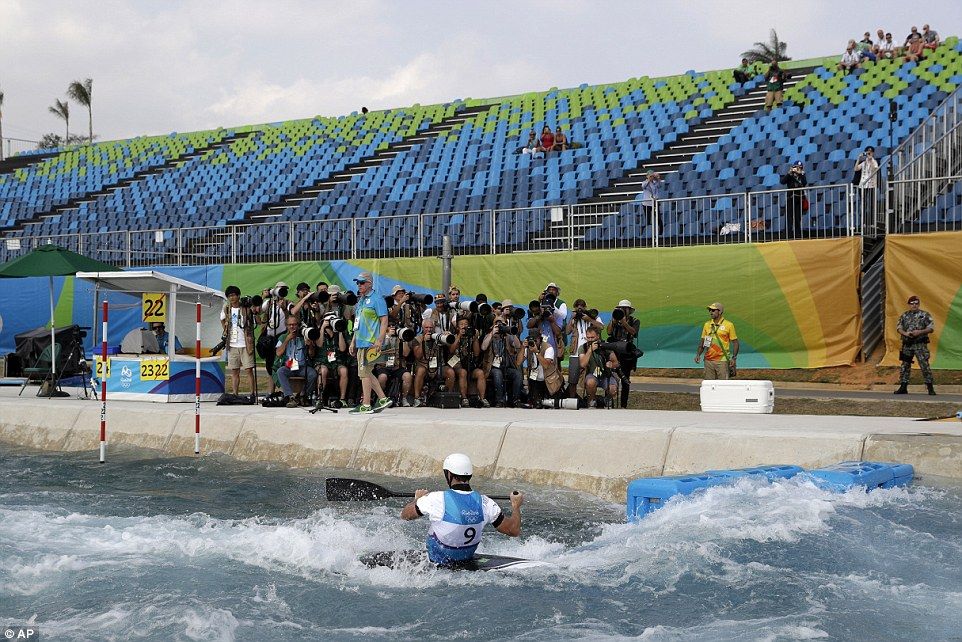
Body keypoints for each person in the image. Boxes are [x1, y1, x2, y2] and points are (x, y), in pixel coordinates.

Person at [400, 453, 523, 566]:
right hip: (465, 561)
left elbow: (405, 515)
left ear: (449, 474)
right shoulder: (486, 502)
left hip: (436, 563)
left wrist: (418, 499)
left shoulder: (437, 498)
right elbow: (513, 530)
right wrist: (516, 507)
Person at [348, 271, 393, 414]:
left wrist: (380, 340)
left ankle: (366, 404)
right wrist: (353, 341)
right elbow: (357, 322)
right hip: (361, 341)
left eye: (361, 283)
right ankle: (383, 399)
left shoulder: (377, 299)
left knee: (365, 373)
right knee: (366, 373)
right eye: (357, 283)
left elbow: (384, 320)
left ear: (369, 283)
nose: (359, 285)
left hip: (371, 342)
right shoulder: (361, 300)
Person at [481, 301, 524, 407]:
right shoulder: (489, 335)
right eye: (498, 324)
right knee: (497, 373)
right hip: (492, 367)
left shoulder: (507, 336)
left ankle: (515, 399)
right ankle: (499, 400)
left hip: (506, 366)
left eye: (502, 324)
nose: (500, 326)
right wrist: (492, 333)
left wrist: (511, 332)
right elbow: (483, 347)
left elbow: (518, 346)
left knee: (517, 374)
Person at [894, 295, 935, 396]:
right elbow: (899, 327)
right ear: (909, 305)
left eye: (916, 303)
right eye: (912, 303)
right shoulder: (904, 316)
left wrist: (920, 332)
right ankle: (903, 387)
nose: (914, 305)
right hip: (907, 345)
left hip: (920, 345)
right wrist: (905, 333)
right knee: (905, 366)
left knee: (924, 365)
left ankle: (930, 387)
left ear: (919, 304)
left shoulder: (924, 315)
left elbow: (931, 328)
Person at [220, 286, 255, 399]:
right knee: (234, 371)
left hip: (245, 343)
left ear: (239, 296)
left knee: (249, 370)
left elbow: (254, 322)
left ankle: (252, 394)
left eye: (234, 295)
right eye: (229, 296)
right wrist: (226, 330)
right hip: (232, 344)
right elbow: (222, 319)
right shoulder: (226, 308)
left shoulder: (245, 308)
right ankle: (235, 394)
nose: (232, 297)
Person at [258, 281, 293, 395]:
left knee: (283, 364)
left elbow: (291, 317)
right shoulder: (268, 303)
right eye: (280, 289)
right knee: (270, 366)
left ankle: (286, 392)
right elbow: (257, 311)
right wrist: (263, 297)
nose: (282, 292)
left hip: (282, 337)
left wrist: (283, 308)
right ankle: (271, 392)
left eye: (284, 289)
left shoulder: (287, 303)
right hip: (269, 338)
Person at [606, 299, 641, 409]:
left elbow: (633, 333)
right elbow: (608, 332)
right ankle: (609, 402)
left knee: (625, 379)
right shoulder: (615, 319)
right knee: (611, 376)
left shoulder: (635, 320)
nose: (623, 311)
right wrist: (613, 321)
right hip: (615, 351)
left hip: (627, 352)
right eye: (621, 309)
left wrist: (624, 322)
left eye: (625, 309)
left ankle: (623, 405)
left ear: (630, 310)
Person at [565, 299, 604, 397]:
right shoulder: (574, 318)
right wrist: (571, 319)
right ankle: (572, 399)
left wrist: (589, 319)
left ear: (585, 307)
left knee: (590, 377)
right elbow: (567, 331)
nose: (579, 308)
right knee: (573, 379)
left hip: (591, 351)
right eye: (577, 306)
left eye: (582, 306)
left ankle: (589, 399)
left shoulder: (592, 316)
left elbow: (601, 327)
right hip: (575, 352)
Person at [275, 316, 317, 407]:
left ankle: (302, 395)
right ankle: (290, 397)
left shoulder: (303, 336)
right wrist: (287, 339)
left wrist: (310, 345)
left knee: (312, 374)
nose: (292, 327)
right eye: (290, 325)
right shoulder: (282, 337)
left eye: (294, 325)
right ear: (286, 326)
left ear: (298, 326)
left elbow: (312, 355)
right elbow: (278, 353)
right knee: (280, 371)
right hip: (289, 365)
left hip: (302, 366)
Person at [413, 317, 455, 404]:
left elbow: (451, 349)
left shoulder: (438, 337)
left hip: (438, 366)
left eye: (431, 328)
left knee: (450, 372)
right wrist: (423, 342)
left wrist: (447, 336)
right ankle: (417, 398)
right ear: (422, 328)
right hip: (423, 365)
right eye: (426, 328)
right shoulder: (417, 339)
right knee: (420, 371)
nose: (429, 330)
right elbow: (417, 355)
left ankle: (447, 396)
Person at [694, 302, 738, 380]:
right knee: (710, 386)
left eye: (713, 310)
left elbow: (735, 343)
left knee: (723, 386)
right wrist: (698, 354)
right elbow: (703, 341)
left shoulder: (729, 325)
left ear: (720, 311)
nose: (711, 312)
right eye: (710, 310)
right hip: (708, 360)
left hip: (722, 360)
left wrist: (734, 358)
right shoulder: (707, 325)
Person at [577, 326, 619, 408]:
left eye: (592, 337)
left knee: (613, 389)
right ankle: (592, 401)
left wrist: (611, 364)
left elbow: (616, 363)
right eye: (588, 337)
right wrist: (590, 350)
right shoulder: (583, 347)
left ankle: (607, 400)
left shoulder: (606, 346)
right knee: (590, 382)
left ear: (598, 336)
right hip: (592, 374)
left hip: (606, 374)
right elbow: (582, 364)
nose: (590, 339)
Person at [449, 316, 486, 407]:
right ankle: (464, 398)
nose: (464, 326)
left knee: (480, 373)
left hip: (469, 364)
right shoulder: (453, 337)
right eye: (461, 324)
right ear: (457, 327)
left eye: (466, 324)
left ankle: (482, 398)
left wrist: (475, 338)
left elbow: (477, 353)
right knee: (463, 372)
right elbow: (451, 350)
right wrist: (459, 336)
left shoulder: (471, 337)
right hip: (456, 364)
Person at [779, 160, 808, 239]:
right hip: (790, 199)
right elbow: (782, 181)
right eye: (796, 167)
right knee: (789, 218)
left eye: (800, 167)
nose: (798, 169)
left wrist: (801, 174)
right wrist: (789, 173)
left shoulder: (802, 175)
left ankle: (798, 236)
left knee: (797, 218)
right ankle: (787, 236)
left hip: (799, 199)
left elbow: (804, 183)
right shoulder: (790, 175)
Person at [855, 146, 880, 231]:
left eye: (870, 152)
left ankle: (872, 223)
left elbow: (875, 168)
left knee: (872, 204)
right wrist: (858, 158)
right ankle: (864, 222)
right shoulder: (863, 162)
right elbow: (856, 169)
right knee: (864, 204)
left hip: (872, 185)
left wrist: (870, 159)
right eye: (867, 152)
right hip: (863, 185)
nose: (868, 153)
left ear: (873, 153)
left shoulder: (874, 161)